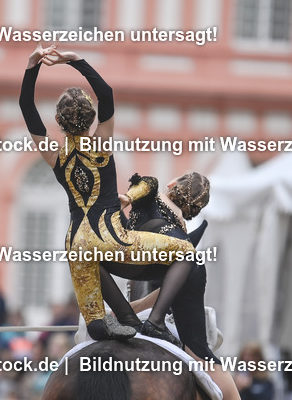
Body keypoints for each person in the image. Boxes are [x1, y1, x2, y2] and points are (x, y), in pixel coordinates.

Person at [19, 44, 194, 344]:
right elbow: (107, 94)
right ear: (92, 119)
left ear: (58, 122)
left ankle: (115, 319)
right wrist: (75, 60)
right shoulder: (101, 143)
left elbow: (26, 106)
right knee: (186, 253)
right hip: (112, 237)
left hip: (77, 243)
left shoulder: (54, 155)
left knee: (96, 319)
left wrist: (32, 66)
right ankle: (155, 322)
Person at [103, 172, 264, 400]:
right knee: (200, 353)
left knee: (86, 255)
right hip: (185, 268)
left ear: (172, 184)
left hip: (141, 262)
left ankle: (126, 316)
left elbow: (141, 196)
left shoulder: (151, 195)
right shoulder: (178, 227)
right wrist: (140, 308)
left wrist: (122, 202)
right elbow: (171, 284)